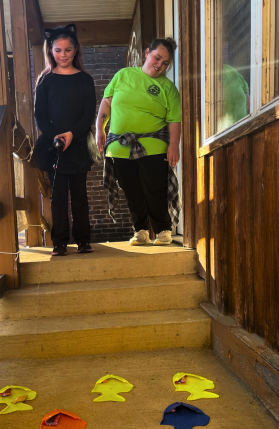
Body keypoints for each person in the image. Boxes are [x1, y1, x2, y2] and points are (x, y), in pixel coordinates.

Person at [96, 37, 181, 246]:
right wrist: (99, 128)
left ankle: (163, 230)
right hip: (120, 147)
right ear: (146, 53)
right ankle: (141, 231)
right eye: (157, 58)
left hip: (153, 146)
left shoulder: (168, 88)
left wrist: (173, 145)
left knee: (155, 189)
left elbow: (174, 120)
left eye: (165, 63)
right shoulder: (123, 75)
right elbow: (106, 103)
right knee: (132, 191)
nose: (159, 65)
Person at [34, 24, 96, 256]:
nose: (63, 55)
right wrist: (55, 137)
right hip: (54, 148)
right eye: (58, 50)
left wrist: (72, 134)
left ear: (76, 50)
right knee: (58, 196)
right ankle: (59, 242)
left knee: (79, 195)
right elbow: (39, 115)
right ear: (50, 51)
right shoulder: (45, 81)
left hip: (78, 145)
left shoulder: (85, 80)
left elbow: (88, 114)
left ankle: (83, 240)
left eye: (68, 50)